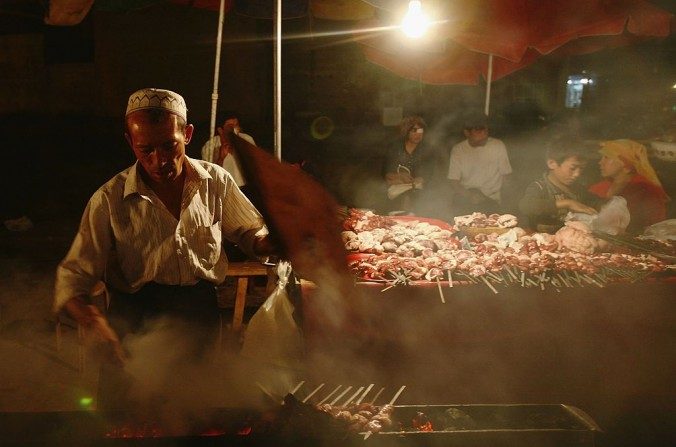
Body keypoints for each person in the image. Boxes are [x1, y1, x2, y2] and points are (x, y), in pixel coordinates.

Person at [53, 88, 274, 408]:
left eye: (170, 145)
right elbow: (73, 275)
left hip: (200, 315)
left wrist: (274, 241)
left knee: (199, 414)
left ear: (187, 134)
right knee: (130, 419)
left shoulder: (215, 181)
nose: (160, 161)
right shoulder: (109, 198)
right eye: (146, 149)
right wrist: (93, 322)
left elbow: (251, 232)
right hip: (135, 323)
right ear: (130, 142)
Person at [519, 140, 603, 231]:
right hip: (543, 240)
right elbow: (526, 205)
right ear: (552, 163)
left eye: (581, 168)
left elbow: (595, 201)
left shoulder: (577, 188)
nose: (577, 174)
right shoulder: (540, 187)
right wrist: (567, 203)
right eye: (573, 168)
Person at [589, 139, 668, 233]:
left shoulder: (646, 190)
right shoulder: (598, 187)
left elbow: (655, 227)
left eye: (606, 157)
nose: (600, 162)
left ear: (625, 162)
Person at [446, 111, 512, 216]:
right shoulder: (459, 150)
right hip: (466, 197)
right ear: (467, 133)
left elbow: (506, 176)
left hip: (491, 200)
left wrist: (506, 201)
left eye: (485, 130)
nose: (484, 134)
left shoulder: (497, 146)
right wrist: (469, 195)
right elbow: (454, 181)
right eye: (479, 130)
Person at [382, 116, 443, 216]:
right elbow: (386, 173)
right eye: (414, 130)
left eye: (420, 130)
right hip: (396, 189)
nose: (418, 134)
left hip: (419, 190)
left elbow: (430, 174)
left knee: (414, 196)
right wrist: (399, 176)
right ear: (406, 131)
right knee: (402, 198)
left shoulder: (427, 149)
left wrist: (420, 179)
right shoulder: (395, 147)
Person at [200, 111, 255, 191]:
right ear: (220, 130)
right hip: (223, 189)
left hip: (247, 189)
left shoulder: (247, 140)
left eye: (236, 125)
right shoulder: (210, 146)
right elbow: (210, 175)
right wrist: (221, 158)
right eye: (230, 126)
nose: (234, 129)